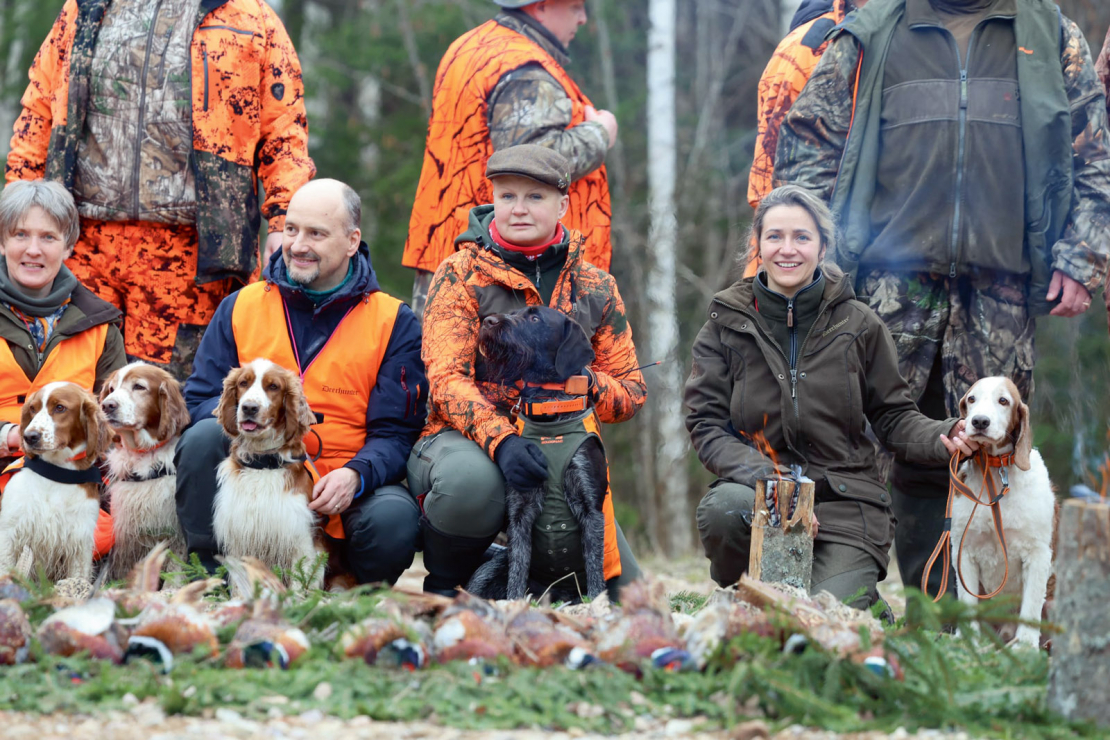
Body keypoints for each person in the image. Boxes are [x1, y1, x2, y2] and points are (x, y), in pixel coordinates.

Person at [774, 0, 1110, 596]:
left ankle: (968, 624)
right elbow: (806, 146)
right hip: (884, 280)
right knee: (857, 444)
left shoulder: (1051, 34)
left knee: (988, 453)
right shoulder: (869, 31)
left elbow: (1097, 153)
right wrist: (815, 261)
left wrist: (1084, 256)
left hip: (1001, 284)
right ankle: (835, 601)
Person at [685, 185, 979, 608]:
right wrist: (766, 479)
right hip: (763, 499)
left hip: (847, 506)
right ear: (758, 245)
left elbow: (894, 416)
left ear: (822, 247)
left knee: (828, 615)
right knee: (726, 511)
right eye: (775, 236)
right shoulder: (724, 324)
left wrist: (944, 434)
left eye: (802, 237)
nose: (788, 249)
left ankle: (861, 603)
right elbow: (707, 424)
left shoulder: (859, 323)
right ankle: (747, 595)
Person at [6, 0, 315, 380]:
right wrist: (17, 209)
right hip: (82, 245)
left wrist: (286, 221)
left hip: (190, 258)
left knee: (163, 403)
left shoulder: (248, 17)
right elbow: (38, 111)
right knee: (70, 395)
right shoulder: (84, 8)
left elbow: (283, 130)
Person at [411, 144, 645, 598]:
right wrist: (503, 440)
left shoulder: (595, 285)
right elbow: (445, 382)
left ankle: (544, 580)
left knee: (628, 596)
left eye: (534, 197)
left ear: (562, 204)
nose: (518, 209)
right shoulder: (460, 274)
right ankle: (448, 584)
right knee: (471, 484)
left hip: (563, 443)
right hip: (466, 440)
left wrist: (584, 382)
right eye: (507, 196)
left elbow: (631, 394)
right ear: (492, 200)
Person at [175, 179, 426, 584]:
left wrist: (357, 474)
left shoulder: (392, 320)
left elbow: (398, 434)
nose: (297, 245)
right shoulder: (241, 305)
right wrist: (256, 428)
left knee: (393, 518)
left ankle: (347, 597)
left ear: (351, 241)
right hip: (252, 468)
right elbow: (200, 399)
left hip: (339, 483)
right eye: (291, 229)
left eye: (316, 233)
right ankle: (210, 579)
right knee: (202, 438)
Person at [403, 0, 617, 319]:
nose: (583, 18)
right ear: (541, 7)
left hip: (456, 261)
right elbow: (534, 163)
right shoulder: (523, 71)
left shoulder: (471, 47)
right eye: (575, 6)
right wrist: (600, 133)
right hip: (503, 283)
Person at [0, 180, 126, 463]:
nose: (33, 250)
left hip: (73, 483)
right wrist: (8, 436)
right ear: (2, 241)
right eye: (20, 234)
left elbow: (117, 421)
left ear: (68, 247)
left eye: (48, 237)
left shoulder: (100, 325)